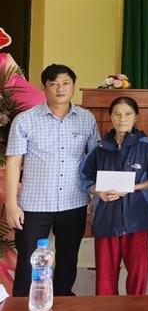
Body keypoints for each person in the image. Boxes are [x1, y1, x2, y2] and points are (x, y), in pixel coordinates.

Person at [5, 64, 100, 297]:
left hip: (73, 202)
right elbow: (13, 163)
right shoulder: (25, 120)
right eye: (54, 84)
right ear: (44, 87)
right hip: (34, 204)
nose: (60, 89)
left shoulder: (86, 119)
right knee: (28, 263)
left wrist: (99, 191)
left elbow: (96, 159)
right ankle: (23, 306)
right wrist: (11, 203)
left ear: (73, 86)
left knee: (68, 261)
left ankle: (62, 302)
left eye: (66, 83)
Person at [80, 96, 148, 295]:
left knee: (138, 273)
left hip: (139, 217)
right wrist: (97, 191)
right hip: (106, 217)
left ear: (136, 117)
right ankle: (107, 308)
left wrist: (133, 187)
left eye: (127, 114)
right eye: (117, 114)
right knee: (105, 275)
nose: (122, 119)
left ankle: (136, 308)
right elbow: (84, 178)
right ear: (111, 117)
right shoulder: (99, 148)